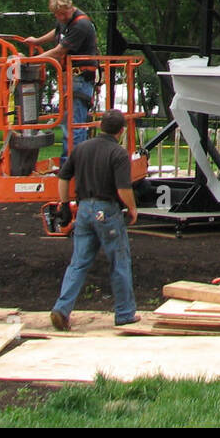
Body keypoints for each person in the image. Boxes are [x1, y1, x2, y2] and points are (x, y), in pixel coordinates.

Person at [50, 109, 139, 329]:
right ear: (121, 130)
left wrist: (63, 204)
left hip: (83, 210)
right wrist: (132, 209)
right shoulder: (118, 153)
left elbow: (63, 177)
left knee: (78, 262)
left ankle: (62, 309)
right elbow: (123, 189)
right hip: (106, 210)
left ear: (100, 126)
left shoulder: (81, 148)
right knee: (119, 261)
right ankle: (125, 313)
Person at [24, 0, 100, 164]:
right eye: (57, 14)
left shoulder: (81, 25)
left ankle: (72, 164)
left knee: (74, 125)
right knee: (68, 123)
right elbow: (57, 31)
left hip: (79, 79)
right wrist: (37, 41)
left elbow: (59, 51)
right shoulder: (65, 21)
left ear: (70, 7)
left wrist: (28, 61)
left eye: (63, 14)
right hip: (70, 79)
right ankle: (71, 162)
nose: (60, 17)